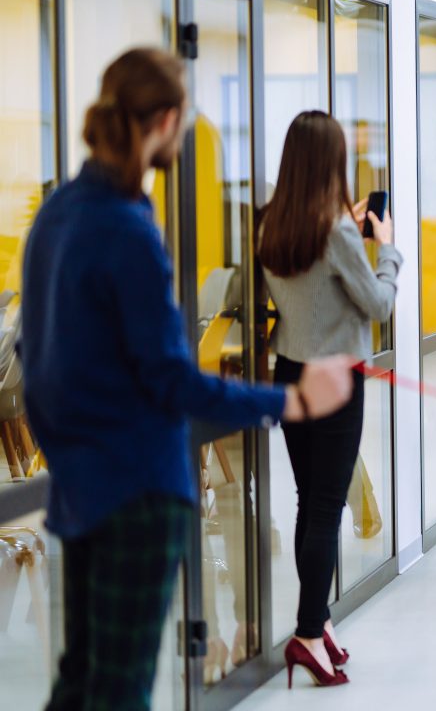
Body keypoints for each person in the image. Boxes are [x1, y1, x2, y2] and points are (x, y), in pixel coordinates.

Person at [20, 49, 354, 709]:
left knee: (80, 681)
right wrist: (291, 398)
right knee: (119, 689)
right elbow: (174, 381)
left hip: (81, 493)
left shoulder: (55, 215)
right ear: (168, 121)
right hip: (136, 498)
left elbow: (37, 359)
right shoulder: (127, 231)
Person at [260, 110, 402, 688]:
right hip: (335, 378)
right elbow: (378, 304)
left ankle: (315, 621)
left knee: (308, 500)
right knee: (326, 506)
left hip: (289, 370)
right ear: (333, 162)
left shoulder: (271, 221)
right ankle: (309, 635)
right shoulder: (338, 230)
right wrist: (387, 250)